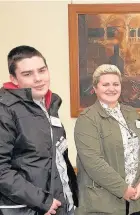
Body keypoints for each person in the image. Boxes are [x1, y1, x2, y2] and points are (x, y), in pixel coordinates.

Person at [0, 45, 78, 215]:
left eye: (42, 70)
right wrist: (42, 201)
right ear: (13, 79)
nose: (38, 79)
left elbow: (58, 157)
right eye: (27, 74)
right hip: (28, 208)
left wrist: (73, 197)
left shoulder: (50, 104)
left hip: (61, 204)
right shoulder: (5, 109)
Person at [74, 64, 140, 215]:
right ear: (95, 88)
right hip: (102, 205)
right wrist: (123, 189)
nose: (111, 88)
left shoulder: (131, 113)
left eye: (116, 84)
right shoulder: (87, 118)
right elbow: (93, 162)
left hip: (135, 202)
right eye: (105, 84)